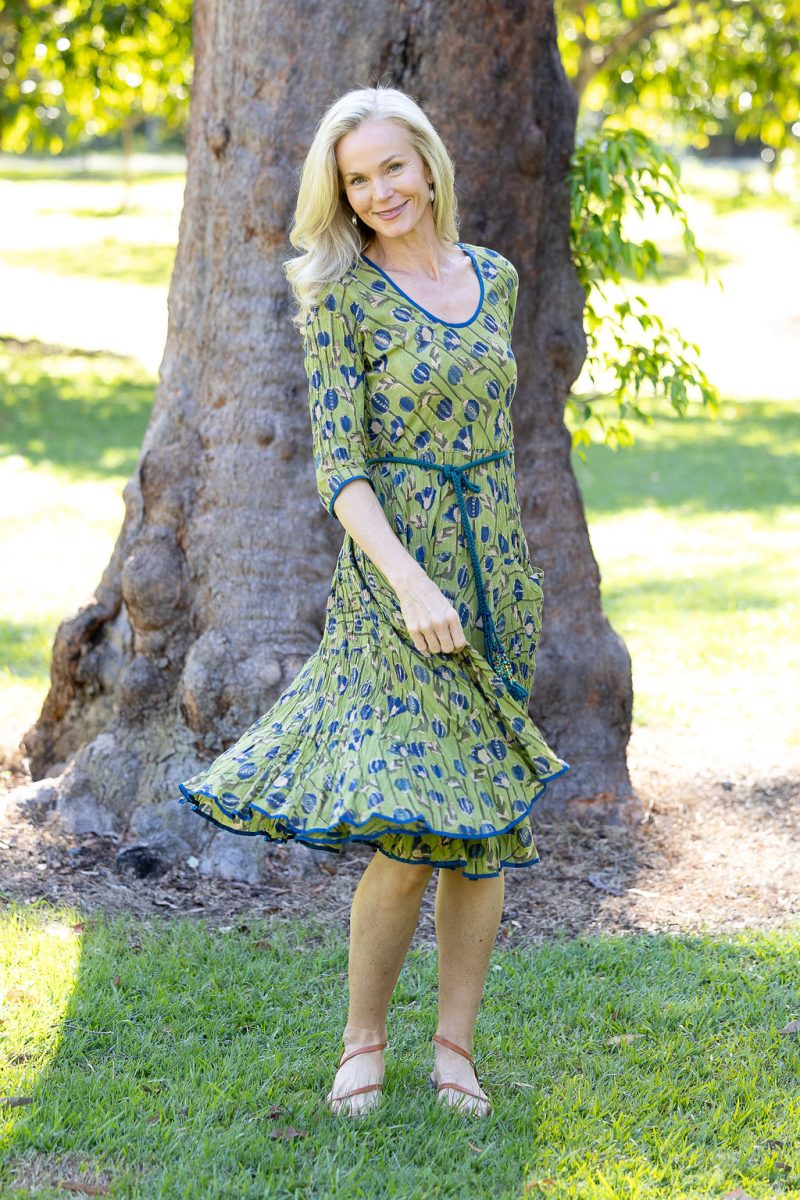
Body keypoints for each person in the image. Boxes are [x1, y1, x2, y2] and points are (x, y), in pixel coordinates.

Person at [177, 83, 570, 1118]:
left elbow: (496, 430)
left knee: (479, 833)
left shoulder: (495, 276)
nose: (379, 190)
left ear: (429, 163)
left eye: (391, 166)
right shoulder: (340, 298)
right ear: (341, 197)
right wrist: (410, 586)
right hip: (394, 588)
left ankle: (454, 1051)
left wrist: (487, 578)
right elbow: (340, 470)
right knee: (407, 838)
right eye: (357, 179)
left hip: (495, 579)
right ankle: (361, 1041)